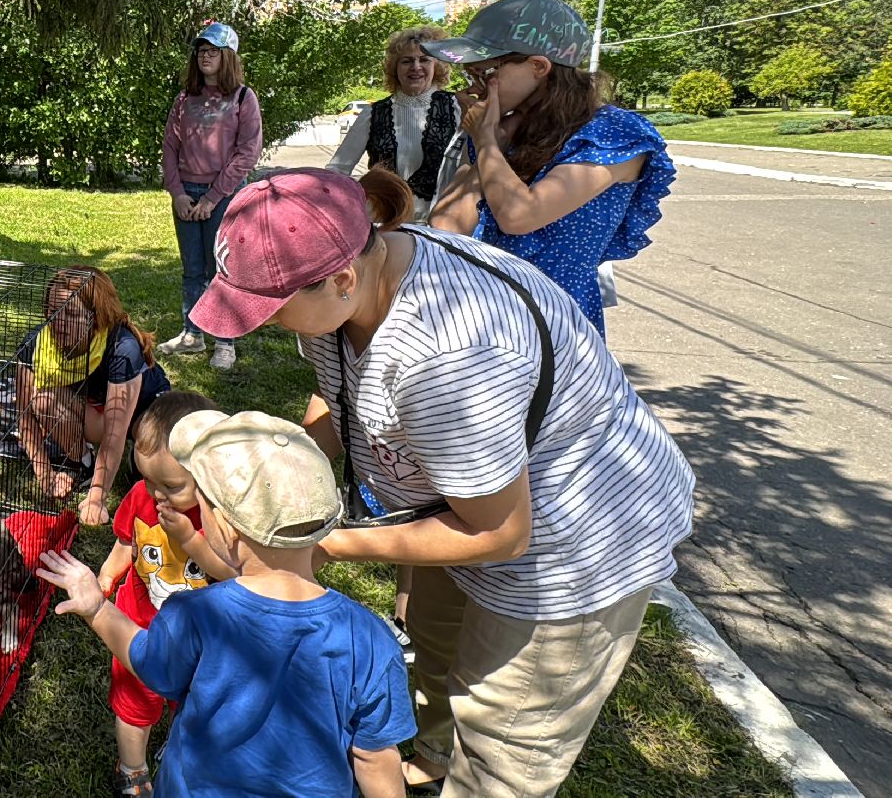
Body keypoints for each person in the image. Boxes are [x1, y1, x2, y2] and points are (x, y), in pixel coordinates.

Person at [190, 166, 695, 797]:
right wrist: (272, 482)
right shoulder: (357, 286)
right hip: (458, 502)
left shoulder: (449, 358)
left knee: (502, 739)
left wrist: (322, 542)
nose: (262, 323)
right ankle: (431, 755)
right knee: (435, 644)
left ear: (343, 277)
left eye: (270, 306)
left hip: (570, 545)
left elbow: (502, 533)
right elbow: (334, 392)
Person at [37, 409, 414, 798]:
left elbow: (147, 660)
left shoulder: (198, 613)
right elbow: (375, 759)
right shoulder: (371, 639)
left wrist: (97, 607)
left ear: (225, 528)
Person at [423, 0, 676, 336]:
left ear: (539, 67)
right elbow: (446, 228)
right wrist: (491, 145)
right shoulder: (500, 130)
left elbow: (519, 216)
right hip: (480, 318)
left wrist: (485, 143)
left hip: (554, 330)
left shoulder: (611, 135)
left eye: (483, 74)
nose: (470, 89)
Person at [95, 391, 242, 798]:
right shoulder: (142, 497)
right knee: (134, 701)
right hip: (140, 624)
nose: (157, 493)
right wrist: (109, 573)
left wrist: (190, 540)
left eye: (172, 485)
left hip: (201, 635)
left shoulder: (220, 515)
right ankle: (132, 768)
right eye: (147, 478)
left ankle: (181, 747)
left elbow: (232, 571)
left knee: (194, 700)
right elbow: (128, 541)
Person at [15, 266, 171, 527]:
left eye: (72, 313)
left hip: (147, 411)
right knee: (42, 400)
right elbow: (24, 415)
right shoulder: (36, 345)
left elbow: (114, 432)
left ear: (96, 317)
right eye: (52, 311)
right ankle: (83, 464)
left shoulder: (122, 348)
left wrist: (97, 499)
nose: (58, 322)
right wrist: (46, 475)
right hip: (95, 407)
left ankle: (134, 456)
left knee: (153, 468)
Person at [159, 21, 263, 370]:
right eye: (201, 51)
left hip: (224, 197)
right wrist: (177, 193)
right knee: (192, 268)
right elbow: (170, 147)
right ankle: (192, 333)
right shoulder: (184, 99)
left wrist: (212, 197)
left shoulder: (243, 98)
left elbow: (247, 152)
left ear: (227, 56)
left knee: (223, 267)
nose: (205, 56)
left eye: (213, 51)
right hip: (186, 194)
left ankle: (224, 341)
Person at [326, 24, 460, 222]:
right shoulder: (373, 114)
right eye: (407, 61)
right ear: (394, 68)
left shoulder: (457, 108)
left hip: (440, 228)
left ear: (437, 65)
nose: (416, 67)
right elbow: (337, 170)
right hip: (383, 224)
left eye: (424, 60)